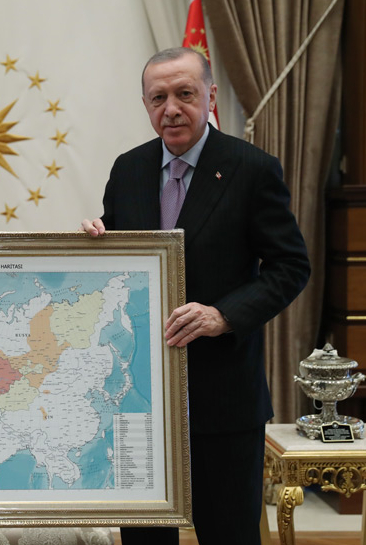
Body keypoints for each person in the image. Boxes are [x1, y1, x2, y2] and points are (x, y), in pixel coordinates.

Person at [81, 48, 310, 545]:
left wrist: (223, 315)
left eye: (184, 94)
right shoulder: (128, 169)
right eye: (158, 98)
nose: (171, 109)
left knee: (229, 534)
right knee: (145, 539)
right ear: (146, 104)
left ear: (209, 95)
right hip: (138, 400)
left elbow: (291, 266)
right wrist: (93, 244)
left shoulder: (252, 169)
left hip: (222, 395)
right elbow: (121, 261)